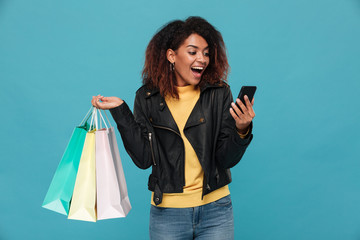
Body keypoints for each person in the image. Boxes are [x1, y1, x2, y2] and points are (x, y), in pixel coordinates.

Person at [92, 16, 255, 240]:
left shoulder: (219, 93)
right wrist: (121, 111)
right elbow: (143, 159)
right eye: (193, 52)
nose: (202, 59)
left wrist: (242, 129)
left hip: (216, 210)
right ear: (171, 55)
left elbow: (225, 159)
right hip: (168, 214)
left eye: (206, 53)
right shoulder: (147, 97)